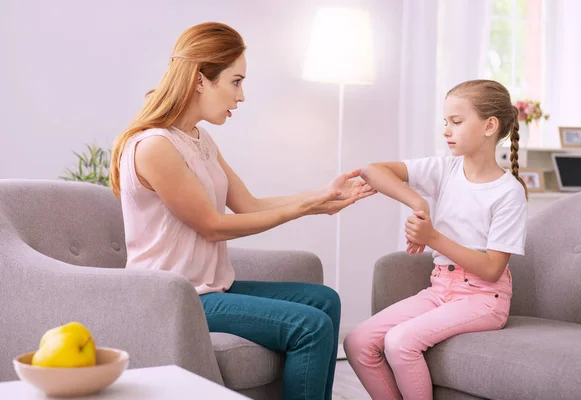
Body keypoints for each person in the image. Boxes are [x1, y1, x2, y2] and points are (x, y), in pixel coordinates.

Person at [109, 22, 374, 400]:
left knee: (324, 300)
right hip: (172, 297)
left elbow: (247, 205)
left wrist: (322, 198)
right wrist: (304, 207)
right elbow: (214, 227)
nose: (242, 95)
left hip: (207, 288)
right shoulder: (155, 147)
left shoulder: (200, 139)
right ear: (201, 79)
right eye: (236, 81)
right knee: (310, 326)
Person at [343, 79, 528, 400]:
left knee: (400, 342)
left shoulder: (508, 192)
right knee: (357, 341)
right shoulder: (445, 170)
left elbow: (491, 270)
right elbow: (372, 170)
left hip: (484, 299)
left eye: (456, 122)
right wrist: (419, 203)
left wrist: (432, 237)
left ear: (490, 126)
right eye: (446, 122)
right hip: (441, 289)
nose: (446, 130)